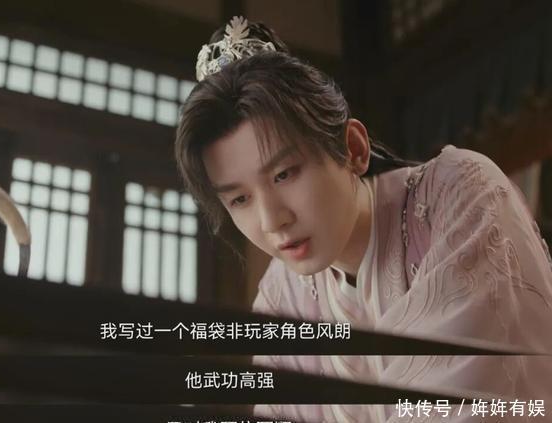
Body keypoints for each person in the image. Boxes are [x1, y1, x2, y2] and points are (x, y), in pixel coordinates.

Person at [175, 16, 552, 422]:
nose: (271, 220)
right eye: (239, 199)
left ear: (353, 148)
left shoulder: (457, 194)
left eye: (284, 174)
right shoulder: (282, 296)